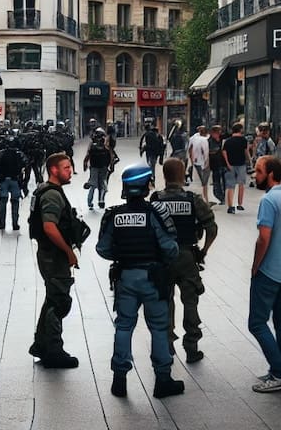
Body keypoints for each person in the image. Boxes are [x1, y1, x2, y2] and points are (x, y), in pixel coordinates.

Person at [97, 165, 184, 399]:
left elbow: (102, 249)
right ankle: (163, 380)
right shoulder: (155, 213)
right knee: (159, 328)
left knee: (124, 326)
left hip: (125, 277)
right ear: (146, 186)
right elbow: (170, 248)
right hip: (153, 279)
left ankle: (119, 380)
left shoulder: (114, 215)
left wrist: (123, 255)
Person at [151, 158, 218, 362]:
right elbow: (211, 228)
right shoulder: (193, 199)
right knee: (190, 302)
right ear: (182, 175)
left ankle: (167, 345)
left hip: (163, 258)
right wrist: (203, 251)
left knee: (165, 301)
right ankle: (191, 347)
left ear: (164, 175)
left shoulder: (156, 199)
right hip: (187, 256)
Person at [28, 152, 86, 368]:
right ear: (54, 170)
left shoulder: (46, 190)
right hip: (53, 255)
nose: (70, 171)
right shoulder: (52, 194)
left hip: (50, 253)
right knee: (58, 301)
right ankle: (53, 351)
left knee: (52, 298)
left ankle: (41, 345)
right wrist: (68, 251)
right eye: (66, 168)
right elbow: (49, 227)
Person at [247, 155, 281, 392]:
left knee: (257, 323)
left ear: (270, 174)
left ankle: (278, 373)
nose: (255, 175)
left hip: (269, 270)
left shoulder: (268, 200)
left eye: (258, 171)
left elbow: (263, 238)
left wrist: (255, 266)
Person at [0, 134, 27, 231]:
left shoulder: (1, 153)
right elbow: (25, 163)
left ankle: (1, 224)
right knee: (15, 202)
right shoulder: (19, 154)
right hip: (15, 180)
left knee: (2, 202)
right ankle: (15, 224)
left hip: (3, 180)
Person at [83, 128, 115, 210]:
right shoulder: (106, 144)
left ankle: (90, 202)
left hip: (94, 167)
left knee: (93, 185)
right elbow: (111, 156)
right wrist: (111, 165)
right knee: (103, 184)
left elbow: (88, 155)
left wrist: (85, 163)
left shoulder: (92, 145)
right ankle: (101, 200)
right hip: (103, 167)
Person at [222, 123, 251, 214]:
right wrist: (249, 161)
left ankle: (230, 206)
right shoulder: (244, 140)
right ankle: (240, 204)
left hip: (230, 165)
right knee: (241, 184)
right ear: (240, 130)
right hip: (241, 164)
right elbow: (246, 152)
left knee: (230, 186)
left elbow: (224, 152)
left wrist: (227, 163)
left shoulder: (227, 141)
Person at [188, 125, 211, 201]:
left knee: (200, 181)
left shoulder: (193, 138)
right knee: (204, 182)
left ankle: (202, 198)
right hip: (204, 162)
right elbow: (205, 152)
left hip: (196, 162)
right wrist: (207, 162)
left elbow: (190, 149)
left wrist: (191, 160)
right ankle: (205, 198)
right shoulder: (205, 139)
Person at [207, 125, 226, 206]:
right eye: (218, 132)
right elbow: (210, 152)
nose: (219, 134)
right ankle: (220, 197)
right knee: (217, 182)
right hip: (215, 164)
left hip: (223, 163)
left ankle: (224, 197)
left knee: (224, 182)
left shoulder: (223, 139)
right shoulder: (209, 141)